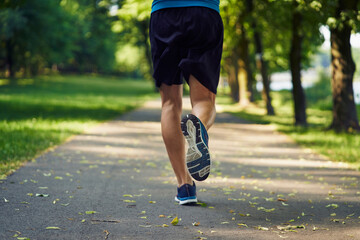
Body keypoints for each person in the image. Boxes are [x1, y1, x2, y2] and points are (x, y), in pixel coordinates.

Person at [149, 0, 223, 205]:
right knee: (204, 99)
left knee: (170, 103)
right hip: (203, 14)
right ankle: (198, 126)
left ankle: (185, 186)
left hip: (163, 16)